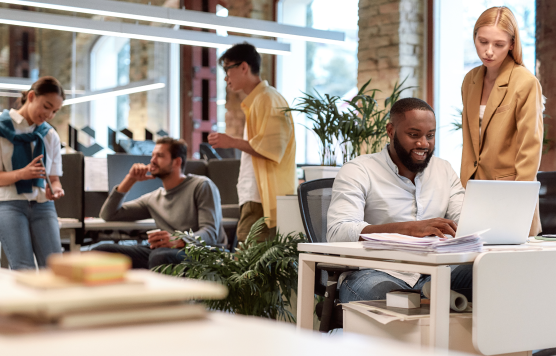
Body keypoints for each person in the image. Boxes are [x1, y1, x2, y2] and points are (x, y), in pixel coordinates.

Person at [327, 97, 472, 302]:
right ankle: (429, 299)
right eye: (414, 135)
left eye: (430, 135)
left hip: (439, 269)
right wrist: (407, 229)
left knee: (488, 275)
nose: (423, 143)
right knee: (376, 294)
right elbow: (338, 231)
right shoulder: (359, 170)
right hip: (380, 272)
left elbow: (464, 222)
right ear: (391, 131)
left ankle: (427, 299)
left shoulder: (443, 169)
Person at [461, 6, 543, 236]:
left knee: (510, 269)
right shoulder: (470, 80)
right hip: (475, 193)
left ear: (511, 44)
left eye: (498, 44)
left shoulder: (525, 82)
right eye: (482, 41)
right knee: (474, 269)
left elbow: (530, 149)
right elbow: (469, 142)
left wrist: (519, 204)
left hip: (512, 195)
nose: (488, 51)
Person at [208, 42, 296, 242]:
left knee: (249, 264)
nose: (225, 77)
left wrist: (232, 142)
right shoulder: (259, 100)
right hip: (257, 197)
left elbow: (272, 149)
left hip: (262, 199)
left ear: (243, 67)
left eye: (227, 70)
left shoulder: (268, 99)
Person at [93, 137, 226, 269]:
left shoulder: (201, 185)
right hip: (164, 253)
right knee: (101, 252)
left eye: (160, 156)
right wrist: (130, 179)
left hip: (201, 253)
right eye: (153, 155)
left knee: (160, 256)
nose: (152, 160)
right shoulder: (154, 198)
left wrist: (179, 240)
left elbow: (210, 234)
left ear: (177, 162)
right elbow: (108, 214)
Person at [0, 76, 66, 270]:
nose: (50, 115)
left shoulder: (49, 134)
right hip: (9, 204)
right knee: (23, 268)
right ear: (31, 96)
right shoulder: (1, 128)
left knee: (55, 268)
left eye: (55, 111)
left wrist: (56, 189)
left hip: (43, 205)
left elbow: (54, 178)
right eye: (46, 106)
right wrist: (22, 174)